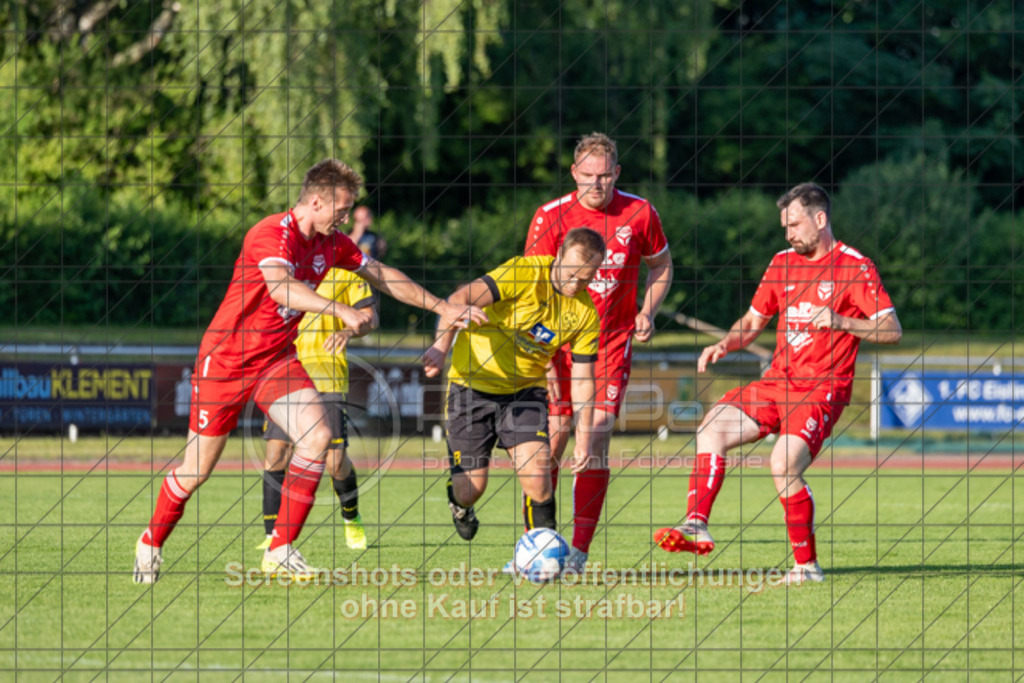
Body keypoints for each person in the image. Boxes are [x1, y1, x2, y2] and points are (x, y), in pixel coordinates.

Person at [133, 159, 486, 583]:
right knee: (196, 471)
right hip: (226, 363)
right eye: (341, 209)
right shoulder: (269, 233)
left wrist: (442, 306)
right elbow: (282, 287)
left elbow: (381, 275)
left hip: (275, 359)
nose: (345, 218)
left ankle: (280, 550)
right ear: (316, 201)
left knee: (318, 436)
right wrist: (339, 309)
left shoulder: (331, 242)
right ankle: (150, 542)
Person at [654, 182, 902, 584]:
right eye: (784, 226)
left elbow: (892, 329)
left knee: (782, 464)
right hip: (778, 383)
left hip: (823, 388)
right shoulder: (782, 263)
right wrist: (726, 344)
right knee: (711, 426)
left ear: (820, 219)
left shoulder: (855, 267)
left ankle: (806, 567)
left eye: (794, 224)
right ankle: (696, 524)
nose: (788, 234)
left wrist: (842, 321)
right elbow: (753, 322)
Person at [523, 132, 673, 571]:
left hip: (609, 345)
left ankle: (579, 553)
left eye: (605, 176)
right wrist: (542, 360)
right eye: (588, 176)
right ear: (574, 173)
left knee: (595, 437)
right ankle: (537, 542)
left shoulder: (640, 213)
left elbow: (661, 266)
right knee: (550, 444)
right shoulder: (550, 217)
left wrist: (647, 309)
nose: (597, 184)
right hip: (556, 347)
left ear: (617, 173)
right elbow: (535, 292)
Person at [423, 228, 605, 565]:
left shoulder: (584, 312)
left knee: (538, 479)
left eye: (588, 278)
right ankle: (460, 506)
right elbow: (460, 298)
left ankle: (546, 562)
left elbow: (582, 380)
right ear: (560, 254)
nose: (577, 284)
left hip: (524, 394)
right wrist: (440, 346)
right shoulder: (523, 273)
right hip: (470, 387)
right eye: (573, 274)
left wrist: (584, 439)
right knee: (470, 489)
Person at [258, 267, 376, 555]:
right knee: (276, 453)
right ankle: (273, 534)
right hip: (285, 372)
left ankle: (351, 517)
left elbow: (370, 318)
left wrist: (349, 331)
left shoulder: (347, 273)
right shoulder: (286, 269)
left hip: (327, 376)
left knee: (335, 461)